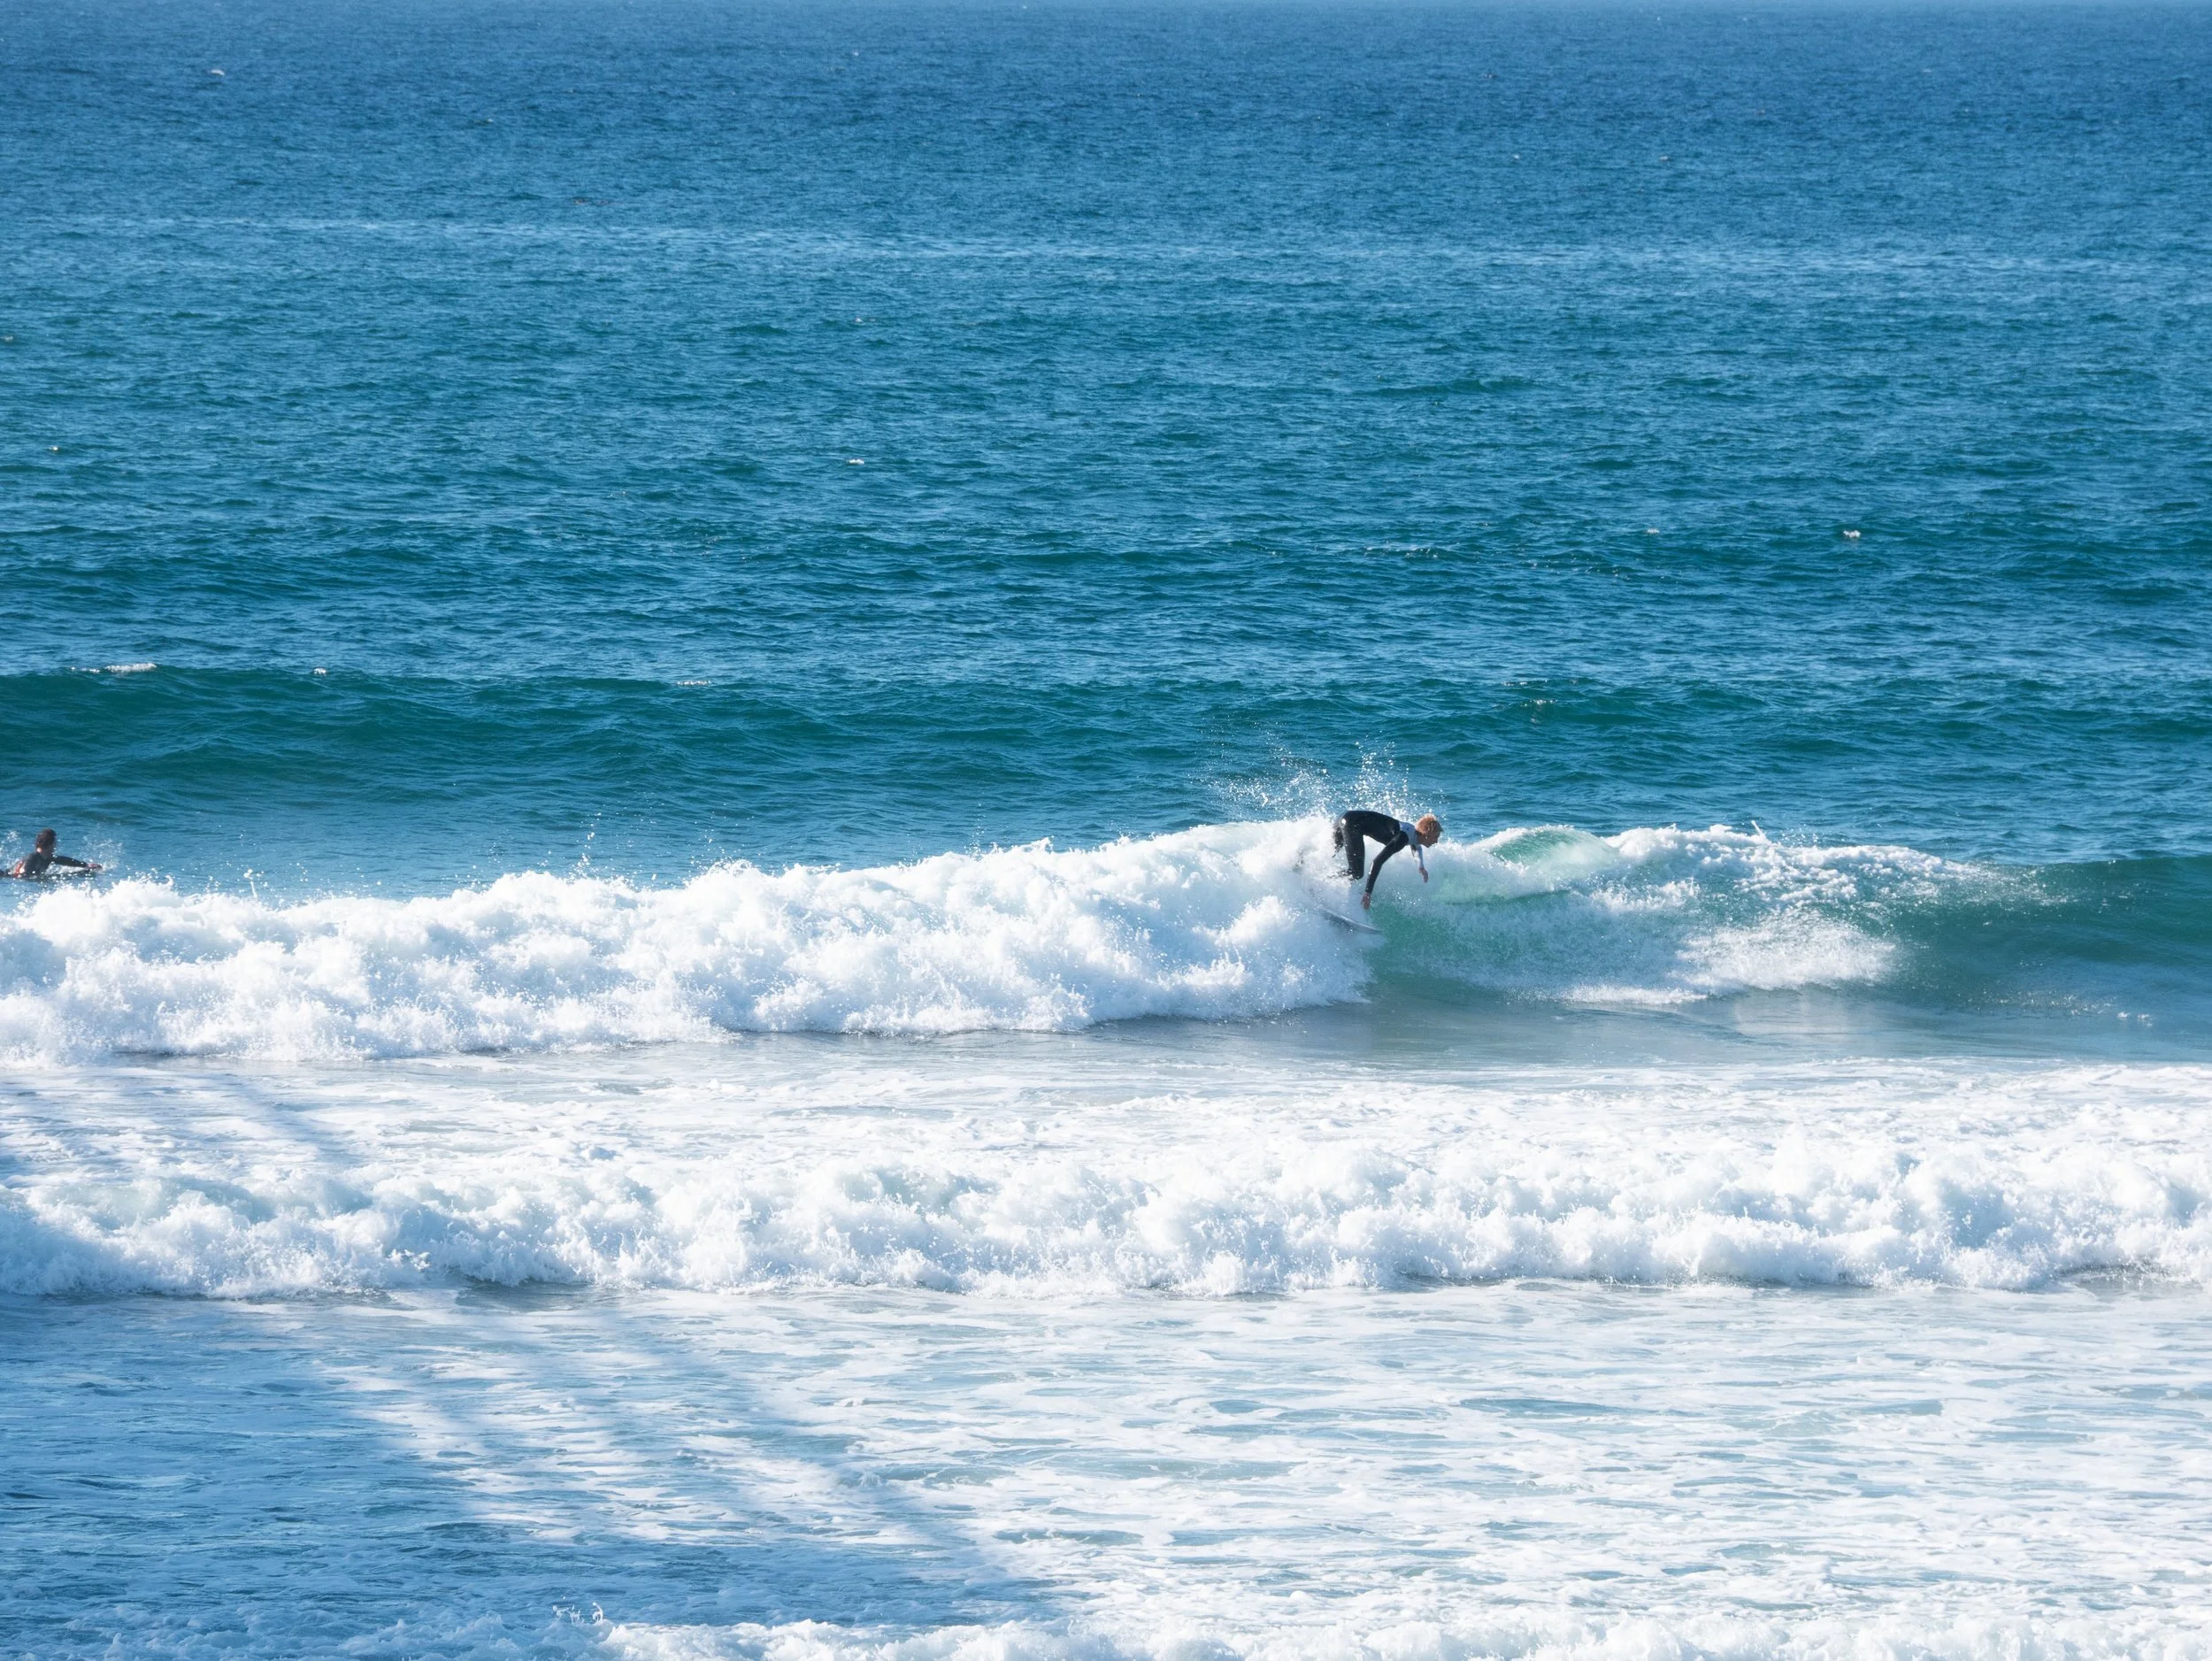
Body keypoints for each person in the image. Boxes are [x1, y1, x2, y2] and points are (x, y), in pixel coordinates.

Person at [1333, 810, 1440, 910]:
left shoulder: (1412, 832)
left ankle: (1324, 882)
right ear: (1426, 833)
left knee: (1332, 854)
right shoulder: (1402, 838)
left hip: (1346, 817)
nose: (1436, 841)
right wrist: (1368, 893)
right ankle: (1325, 881)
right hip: (1352, 823)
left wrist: (1420, 867)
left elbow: (1416, 846)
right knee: (1356, 873)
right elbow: (1377, 862)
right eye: (1436, 836)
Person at [9, 828, 101, 880]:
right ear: (50, 845)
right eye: (55, 844)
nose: (56, 846)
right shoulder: (32, 858)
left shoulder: (48, 858)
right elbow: (22, 877)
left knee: (82, 873)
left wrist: (85, 865)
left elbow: (64, 860)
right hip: (7, 878)